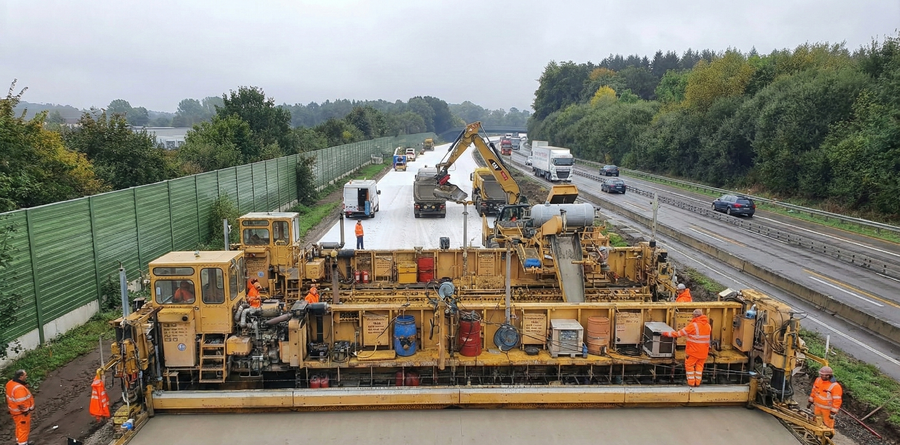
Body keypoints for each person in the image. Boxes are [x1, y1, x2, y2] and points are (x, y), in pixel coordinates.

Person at [663, 309, 711, 387]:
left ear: (694, 316)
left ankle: (691, 383)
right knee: (700, 366)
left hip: (693, 351)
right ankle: (697, 383)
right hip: (704, 352)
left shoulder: (693, 326)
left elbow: (678, 334)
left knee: (689, 365)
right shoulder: (708, 326)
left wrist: (665, 333)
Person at [6, 369, 35, 445]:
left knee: (19, 428)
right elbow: (21, 403)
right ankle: (23, 443)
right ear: (21, 376)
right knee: (23, 429)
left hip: (14, 411)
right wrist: (26, 410)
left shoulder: (10, 383)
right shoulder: (19, 388)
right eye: (25, 375)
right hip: (21, 413)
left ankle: (19, 442)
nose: (26, 376)